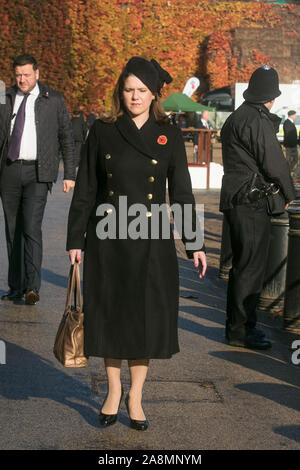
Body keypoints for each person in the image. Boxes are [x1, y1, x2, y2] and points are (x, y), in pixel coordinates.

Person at [66, 56, 207, 430]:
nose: (134, 97)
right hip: (108, 236)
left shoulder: (169, 133)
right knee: (112, 314)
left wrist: (195, 244)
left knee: (145, 319)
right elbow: (87, 189)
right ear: (120, 92)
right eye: (128, 90)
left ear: (153, 93)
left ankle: (136, 395)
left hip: (151, 237)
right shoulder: (102, 130)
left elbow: (181, 193)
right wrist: (75, 239)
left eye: (142, 91)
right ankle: (113, 391)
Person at [220, 65, 295, 350]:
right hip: (251, 201)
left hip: (237, 198)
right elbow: (273, 161)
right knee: (252, 267)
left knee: (242, 266)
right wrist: (288, 192)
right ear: (272, 96)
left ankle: (239, 327)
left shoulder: (238, 116)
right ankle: (242, 330)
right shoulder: (257, 120)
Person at [0, 53, 75, 305]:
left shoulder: (52, 100)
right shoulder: (6, 97)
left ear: (37, 74)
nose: (22, 80)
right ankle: (16, 286)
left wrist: (70, 173)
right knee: (12, 230)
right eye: (18, 75)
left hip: (38, 173)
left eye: (27, 75)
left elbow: (66, 135)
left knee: (31, 227)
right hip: (9, 169)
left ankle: (32, 286)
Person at [283, 110, 298, 174]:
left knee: (295, 159)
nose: (295, 116)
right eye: (295, 115)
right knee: (288, 159)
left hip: (293, 145)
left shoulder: (291, 122)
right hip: (290, 145)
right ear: (291, 115)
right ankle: (286, 171)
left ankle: (288, 170)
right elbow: (288, 134)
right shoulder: (287, 122)